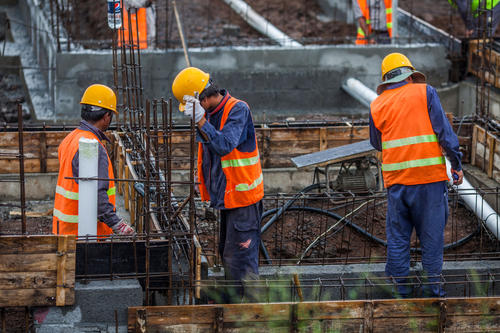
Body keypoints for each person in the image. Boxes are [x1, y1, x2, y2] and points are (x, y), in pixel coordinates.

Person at [369, 53, 463, 297]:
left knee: (398, 239)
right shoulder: (425, 92)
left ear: (386, 79)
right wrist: (456, 163)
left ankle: (401, 293)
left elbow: (377, 143)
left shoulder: (377, 104)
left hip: (396, 183)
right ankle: (433, 293)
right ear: (410, 75)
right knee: (431, 240)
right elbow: (444, 133)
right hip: (428, 180)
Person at [172, 67, 264, 302]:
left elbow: (224, 145)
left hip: (243, 199)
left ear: (202, 98)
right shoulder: (211, 114)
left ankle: (253, 313)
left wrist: (201, 120)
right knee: (228, 253)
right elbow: (209, 153)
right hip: (228, 198)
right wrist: (198, 178)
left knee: (241, 258)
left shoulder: (238, 109)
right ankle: (236, 303)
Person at [53, 84, 134, 236]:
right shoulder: (92, 147)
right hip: (85, 234)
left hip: (64, 229)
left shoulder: (70, 139)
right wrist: (117, 224)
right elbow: (98, 195)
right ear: (106, 116)